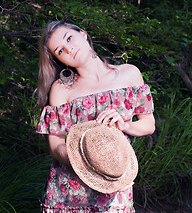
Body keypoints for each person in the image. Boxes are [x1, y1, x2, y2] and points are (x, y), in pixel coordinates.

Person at [36, 21, 155, 213]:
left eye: (69, 38)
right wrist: (81, 161)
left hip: (114, 187)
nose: (69, 49)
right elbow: (55, 144)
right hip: (68, 194)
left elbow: (148, 125)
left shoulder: (129, 74)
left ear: (82, 34)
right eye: (60, 51)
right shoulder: (61, 89)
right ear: (61, 60)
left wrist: (124, 125)